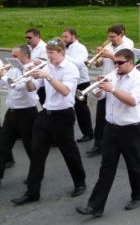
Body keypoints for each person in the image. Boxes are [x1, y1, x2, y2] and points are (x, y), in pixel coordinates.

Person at [12, 38, 87, 206]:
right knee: (37, 153)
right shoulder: (47, 66)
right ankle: (32, 192)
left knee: (69, 152)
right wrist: (28, 76)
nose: (48, 56)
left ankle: (80, 182)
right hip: (45, 114)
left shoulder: (70, 69)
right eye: (47, 52)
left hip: (63, 115)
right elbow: (32, 88)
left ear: (61, 52)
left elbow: (65, 91)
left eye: (51, 53)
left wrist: (49, 76)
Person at [76, 48, 140, 217]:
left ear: (130, 62)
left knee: (134, 165)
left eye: (120, 63)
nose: (116, 66)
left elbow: (132, 101)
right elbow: (100, 97)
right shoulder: (114, 76)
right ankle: (95, 206)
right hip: (111, 128)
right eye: (115, 62)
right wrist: (99, 88)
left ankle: (138, 195)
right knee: (106, 168)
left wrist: (112, 89)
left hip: (131, 128)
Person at [86, 25, 134, 158]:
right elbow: (99, 65)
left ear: (121, 35)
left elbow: (124, 62)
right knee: (100, 115)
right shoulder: (108, 46)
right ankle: (98, 144)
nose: (110, 39)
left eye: (113, 36)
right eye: (109, 36)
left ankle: (120, 146)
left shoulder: (128, 44)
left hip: (119, 83)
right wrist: (98, 58)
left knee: (117, 115)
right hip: (105, 81)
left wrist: (111, 55)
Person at [0, 45, 39, 184]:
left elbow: (18, 87)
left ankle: (35, 176)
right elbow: (4, 84)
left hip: (26, 113)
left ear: (25, 55)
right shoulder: (14, 68)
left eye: (15, 56)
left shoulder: (32, 69)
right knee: (3, 144)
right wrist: (2, 76)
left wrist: (3, 77)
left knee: (30, 147)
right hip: (11, 113)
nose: (12, 59)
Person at [62, 28, 94, 143]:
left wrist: (64, 55)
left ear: (73, 36)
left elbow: (79, 64)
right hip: (69, 81)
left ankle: (88, 133)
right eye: (63, 37)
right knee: (68, 108)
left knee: (81, 110)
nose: (64, 39)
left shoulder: (81, 48)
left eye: (66, 37)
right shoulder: (66, 48)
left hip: (81, 82)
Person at [26, 28, 47, 105]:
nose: (28, 40)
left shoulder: (44, 48)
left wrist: (29, 62)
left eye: (30, 38)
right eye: (26, 38)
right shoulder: (29, 47)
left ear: (37, 36)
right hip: (33, 79)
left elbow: (44, 64)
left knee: (45, 104)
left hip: (42, 81)